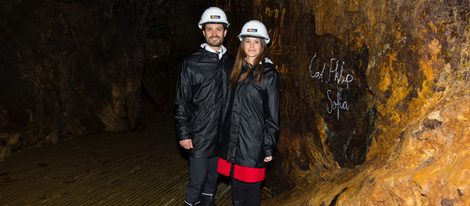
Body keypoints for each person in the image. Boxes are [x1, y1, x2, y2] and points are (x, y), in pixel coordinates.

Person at [216, 20, 280, 206]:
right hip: (233, 143)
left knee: (251, 195)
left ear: (263, 45)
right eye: (248, 41)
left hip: (253, 145)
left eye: (256, 41)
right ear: (242, 44)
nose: (251, 46)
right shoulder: (235, 70)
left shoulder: (269, 74)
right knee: (237, 195)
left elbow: (273, 116)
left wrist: (268, 146)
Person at [175, 6, 234, 206]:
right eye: (210, 29)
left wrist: (265, 65)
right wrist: (184, 133)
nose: (214, 33)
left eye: (219, 29)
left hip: (222, 136)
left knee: (212, 181)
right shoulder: (191, 63)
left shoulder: (232, 63)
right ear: (203, 32)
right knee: (197, 181)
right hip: (199, 135)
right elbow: (181, 100)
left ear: (225, 32)